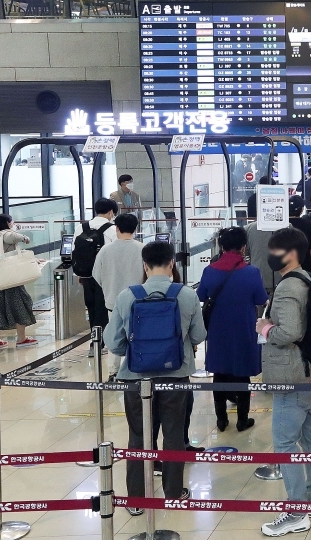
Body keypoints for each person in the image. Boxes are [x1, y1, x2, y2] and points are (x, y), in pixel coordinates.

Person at [104, 240, 205, 509]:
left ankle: (136, 499)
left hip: (136, 379)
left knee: (138, 436)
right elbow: (199, 335)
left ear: (145, 266)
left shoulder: (128, 296)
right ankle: (173, 494)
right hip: (176, 377)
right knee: (173, 435)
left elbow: (113, 343)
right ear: (172, 263)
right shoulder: (186, 294)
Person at [257, 228, 311, 536]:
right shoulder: (307, 279)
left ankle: (297, 512)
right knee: (310, 438)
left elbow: (289, 333)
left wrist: (264, 328)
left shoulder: (287, 287)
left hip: (292, 377)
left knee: (286, 443)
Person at [198, 227, 268, 432]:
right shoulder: (252, 272)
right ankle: (242, 420)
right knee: (242, 374)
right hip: (243, 329)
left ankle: (221, 420)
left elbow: (201, 295)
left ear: (221, 245)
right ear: (243, 246)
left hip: (218, 330)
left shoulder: (209, 270)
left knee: (219, 374)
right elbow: (261, 299)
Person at [92, 214, 144, 369]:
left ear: (116, 228)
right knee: (138, 335)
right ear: (135, 228)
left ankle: (113, 372)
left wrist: (108, 286)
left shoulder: (105, 250)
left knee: (114, 336)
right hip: (138, 301)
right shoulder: (143, 249)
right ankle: (136, 368)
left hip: (113, 300)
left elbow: (96, 274)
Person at [0, 215, 38, 348]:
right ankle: (21, 339)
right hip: (10, 282)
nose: (13, 224)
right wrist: (25, 238)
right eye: (12, 222)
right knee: (21, 305)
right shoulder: (5, 234)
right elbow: (13, 237)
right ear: (7, 224)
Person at [80, 198, 119, 331]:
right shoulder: (113, 229)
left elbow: (75, 250)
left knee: (91, 306)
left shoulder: (81, 227)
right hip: (106, 275)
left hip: (86, 274)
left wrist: (80, 273)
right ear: (111, 212)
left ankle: (95, 339)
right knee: (103, 306)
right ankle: (102, 340)